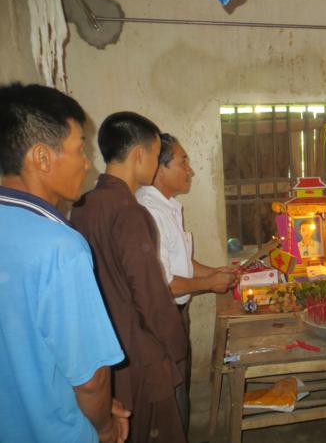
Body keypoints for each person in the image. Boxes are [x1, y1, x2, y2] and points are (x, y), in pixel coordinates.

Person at [0, 83, 129, 442]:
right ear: (42, 158)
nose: (87, 163)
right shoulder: (59, 247)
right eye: (80, 149)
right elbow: (90, 380)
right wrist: (104, 426)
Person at [71, 112, 188, 443]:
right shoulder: (131, 212)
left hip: (105, 348)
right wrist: (176, 346)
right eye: (155, 154)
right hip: (141, 350)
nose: (155, 164)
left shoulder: (84, 206)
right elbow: (150, 294)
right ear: (139, 154)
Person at [135, 133, 236, 432]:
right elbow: (163, 283)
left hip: (177, 314)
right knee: (173, 395)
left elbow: (182, 263)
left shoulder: (167, 206)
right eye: (183, 162)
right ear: (159, 168)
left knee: (181, 387)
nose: (189, 170)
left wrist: (214, 272)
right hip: (162, 318)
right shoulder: (150, 212)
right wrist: (210, 284)